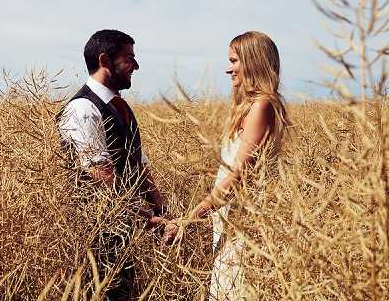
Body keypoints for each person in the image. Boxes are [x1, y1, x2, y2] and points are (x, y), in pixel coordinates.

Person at [58, 29, 178, 300]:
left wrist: (163, 209)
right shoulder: (82, 109)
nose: (136, 65)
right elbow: (101, 174)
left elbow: (138, 165)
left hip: (123, 228)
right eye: (129, 58)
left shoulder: (120, 107)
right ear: (105, 60)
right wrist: (147, 218)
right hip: (96, 230)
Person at [186, 31, 288, 300]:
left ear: (252, 61)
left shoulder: (262, 105)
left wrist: (195, 213)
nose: (228, 68)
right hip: (235, 212)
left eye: (234, 61)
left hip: (246, 215)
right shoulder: (254, 105)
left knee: (236, 288)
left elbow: (239, 174)